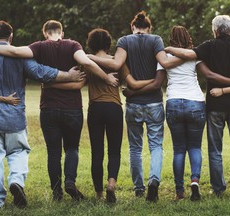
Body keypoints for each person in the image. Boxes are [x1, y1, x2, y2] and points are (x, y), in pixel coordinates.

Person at [0, 20, 85, 208]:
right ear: (11, 37)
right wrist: (68, 75)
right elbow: (41, 72)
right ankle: (16, 181)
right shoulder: (20, 56)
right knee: (19, 151)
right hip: (15, 116)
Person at [0, 20, 119, 202]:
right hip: (72, 108)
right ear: (61, 33)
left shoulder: (38, 46)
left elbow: (13, 51)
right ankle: (70, 181)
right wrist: (107, 78)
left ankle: (57, 192)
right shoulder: (73, 45)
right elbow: (87, 62)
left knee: (53, 152)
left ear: (45, 33)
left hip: (48, 108)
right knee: (72, 148)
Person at [88, 11, 183, 202]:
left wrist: (87, 56)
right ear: (149, 28)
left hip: (133, 105)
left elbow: (117, 64)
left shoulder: (124, 41)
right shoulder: (156, 40)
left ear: (133, 27)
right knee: (156, 146)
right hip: (154, 102)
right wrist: (190, 55)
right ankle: (153, 181)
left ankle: (139, 188)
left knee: (135, 148)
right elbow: (164, 63)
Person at [82, 28, 153, 203]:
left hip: (95, 109)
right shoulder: (117, 61)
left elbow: (78, 80)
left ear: (91, 44)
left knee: (96, 152)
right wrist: (156, 80)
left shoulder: (88, 62)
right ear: (109, 44)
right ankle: (111, 185)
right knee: (114, 151)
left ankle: (99, 194)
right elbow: (133, 84)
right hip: (114, 108)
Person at [165, 15, 230, 197]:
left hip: (210, 103)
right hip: (197, 102)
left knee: (210, 150)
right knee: (197, 147)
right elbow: (200, 68)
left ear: (215, 30)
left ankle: (212, 189)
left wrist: (168, 48)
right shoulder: (200, 51)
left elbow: (206, 73)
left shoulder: (207, 47)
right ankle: (198, 182)